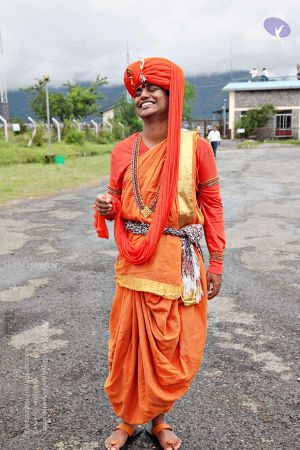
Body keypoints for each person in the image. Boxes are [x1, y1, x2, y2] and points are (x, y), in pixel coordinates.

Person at [94, 57, 225, 450]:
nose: (143, 95)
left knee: (167, 345)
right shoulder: (122, 150)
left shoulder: (195, 148)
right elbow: (117, 202)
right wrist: (106, 207)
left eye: (152, 88)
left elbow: (213, 206)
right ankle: (127, 420)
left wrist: (216, 260)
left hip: (176, 259)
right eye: (138, 90)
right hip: (134, 259)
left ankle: (160, 420)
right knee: (129, 342)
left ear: (172, 94)